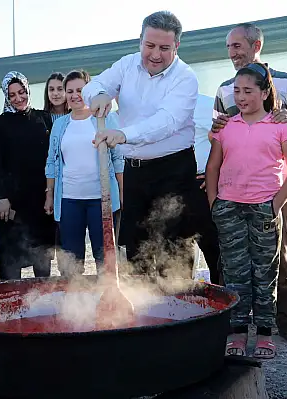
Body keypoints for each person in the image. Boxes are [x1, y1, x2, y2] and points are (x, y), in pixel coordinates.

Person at [211, 22, 287, 346]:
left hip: (275, 191)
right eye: (228, 47)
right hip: (233, 193)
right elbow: (218, 136)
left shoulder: (286, 81)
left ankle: (285, 322)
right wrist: (215, 197)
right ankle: (235, 325)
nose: (232, 53)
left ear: (256, 46)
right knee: (231, 263)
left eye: (237, 46)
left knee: (279, 260)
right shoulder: (225, 88)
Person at [85, 11, 204, 279]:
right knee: (137, 249)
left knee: (175, 248)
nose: (155, 54)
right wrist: (100, 94)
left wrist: (123, 134)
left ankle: (180, 312)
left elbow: (167, 121)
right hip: (136, 173)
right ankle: (143, 312)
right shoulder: (126, 65)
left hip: (174, 171)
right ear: (140, 41)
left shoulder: (185, 77)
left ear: (177, 46)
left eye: (164, 48)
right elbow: (95, 85)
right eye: (150, 46)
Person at [44, 70, 124, 276]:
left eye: (80, 90)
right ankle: (75, 302)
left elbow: (118, 159)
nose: (74, 95)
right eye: (69, 91)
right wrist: (50, 194)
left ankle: (108, 300)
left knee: (104, 256)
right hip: (69, 200)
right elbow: (52, 161)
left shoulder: (104, 119)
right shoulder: (60, 125)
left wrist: (123, 192)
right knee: (71, 259)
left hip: (101, 200)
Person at [0, 71, 56, 280]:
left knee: (42, 258)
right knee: (10, 260)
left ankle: (44, 303)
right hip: (12, 204)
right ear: (6, 97)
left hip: (41, 201)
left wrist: (50, 194)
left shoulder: (44, 119)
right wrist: (2, 197)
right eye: (12, 95)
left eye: (21, 92)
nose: (18, 98)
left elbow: (53, 159)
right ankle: (11, 307)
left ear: (27, 90)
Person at [192, 95, 222, 284]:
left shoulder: (204, 104)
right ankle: (181, 304)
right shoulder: (155, 106)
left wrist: (218, 175)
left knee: (213, 249)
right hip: (172, 184)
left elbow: (227, 140)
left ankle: (222, 299)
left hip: (202, 184)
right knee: (178, 253)